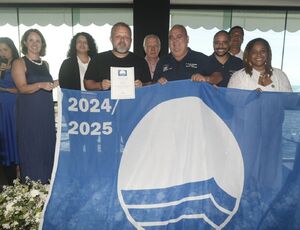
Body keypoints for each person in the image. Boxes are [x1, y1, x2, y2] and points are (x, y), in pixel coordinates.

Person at [12, 29, 59, 183]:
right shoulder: (19, 62)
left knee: (46, 145)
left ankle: (46, 184)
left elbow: (48, 85)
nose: (34, 44)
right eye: (31, 40)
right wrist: (40, 85)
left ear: (42, 44)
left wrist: (59, 82)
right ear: (25, 43)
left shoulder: (45, 63)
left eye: (38, 40)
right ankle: (32, 186)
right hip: (29, 114)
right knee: (31, 146)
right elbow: (22, 88)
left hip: (45, 113)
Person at [84, 22, 151, 90]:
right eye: (118, 36)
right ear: (111, 39)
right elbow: (87, 83)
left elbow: (149, 84)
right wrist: (100, 85)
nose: (122, 40)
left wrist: (142, 85)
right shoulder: (98, 59)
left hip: (134, 101)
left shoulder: (141, 62)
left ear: (131, 40)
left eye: (126, 37)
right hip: (106, 100)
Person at [153, 24, 222, 85]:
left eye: (179, 37)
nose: (175, 41)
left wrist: (206, 79)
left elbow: (218, 76)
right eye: (171, 38)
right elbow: (152, 84)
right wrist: (158, 83)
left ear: (187, 39)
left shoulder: (200, 58)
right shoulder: (162, 61)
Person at [228, 38, 292, 92]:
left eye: (262, 51)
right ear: (248, 55)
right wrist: (249, 97)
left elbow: (289, 100)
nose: (259, 54)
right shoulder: (238, 76)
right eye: (254, 52)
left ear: (268, 54)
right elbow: (230, 101)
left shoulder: (279, 75)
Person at [0, 37, 20, 185]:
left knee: (13, 138)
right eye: (0, 50)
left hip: (12, 107)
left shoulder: (18, 64)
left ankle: (18, 172)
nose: (2, 53)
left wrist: (4, 89)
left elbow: (21, 88)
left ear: (12, 49)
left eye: (5, 49)